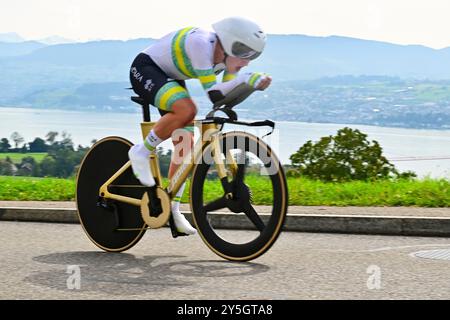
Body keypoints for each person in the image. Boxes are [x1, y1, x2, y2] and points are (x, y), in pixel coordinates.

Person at [128, 16, 272, 236]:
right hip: (147, 68)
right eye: (244, 52)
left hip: (170, 77)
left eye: (252, 55)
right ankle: (141, 151)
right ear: (228, 42)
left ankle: (173, 210)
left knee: (186, 148)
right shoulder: (201, 44)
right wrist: (248, 79)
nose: (247, 60)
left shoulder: (227, 60)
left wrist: (251, 85)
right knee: (187, 110)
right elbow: (214, 94)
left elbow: (226, 97)